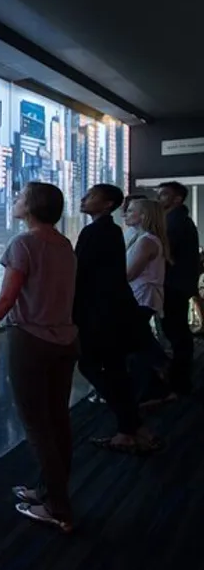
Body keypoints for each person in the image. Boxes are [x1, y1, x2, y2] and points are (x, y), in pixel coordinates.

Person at [0, 182, 78, 532]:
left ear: (32, 206)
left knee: (37, 424)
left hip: (32, 341)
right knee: (57, 420)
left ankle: (58, 506)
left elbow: (6, 297)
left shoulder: (24, 243)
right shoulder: (63, 243)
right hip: (65, 340)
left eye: (21, 197)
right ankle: (49, 490)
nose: (16, 200)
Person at [74, 184, 162, 455]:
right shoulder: (111, 231)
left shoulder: (96, 232)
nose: (84, 199)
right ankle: (129, 428)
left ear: (108, 203)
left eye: (92, 196)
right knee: (114, 370)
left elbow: (81, 274)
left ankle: (131, 424)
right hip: (113, 311)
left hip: (99, 314)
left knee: (93, 366)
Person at [123, 198, 172, 405]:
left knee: (138, 344)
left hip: (141, 298)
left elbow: (130, 273)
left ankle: (154, 383)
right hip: (140, 297)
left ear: (144, 216)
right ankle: (155, 387)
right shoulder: (141, 238)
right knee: (139, 342)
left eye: (132, 210)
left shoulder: (147, 241)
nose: (126, 213)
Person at [157, 181, 199, 398]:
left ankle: (179, 383)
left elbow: (165, 254)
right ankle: (179, 380)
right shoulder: (179, 220)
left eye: (163, 195)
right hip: (178, 285)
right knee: (177, 332)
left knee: (177, 333)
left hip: (173, 286)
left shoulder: (175, 223)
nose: (159, 198)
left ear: (177, 199)